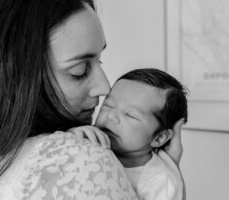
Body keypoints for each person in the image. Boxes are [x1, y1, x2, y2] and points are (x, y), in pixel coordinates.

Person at [0, 0, 184, 199]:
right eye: (79, 70)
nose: (105, 87)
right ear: (15, 76)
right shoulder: (80, 159)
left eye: (101, 61)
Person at [69, 68, 188, 200]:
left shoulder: (160, 183)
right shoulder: (91, 140)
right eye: (108, 106)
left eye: (130, 115)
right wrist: (71, 135)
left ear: (159, 137)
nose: (111, 116)